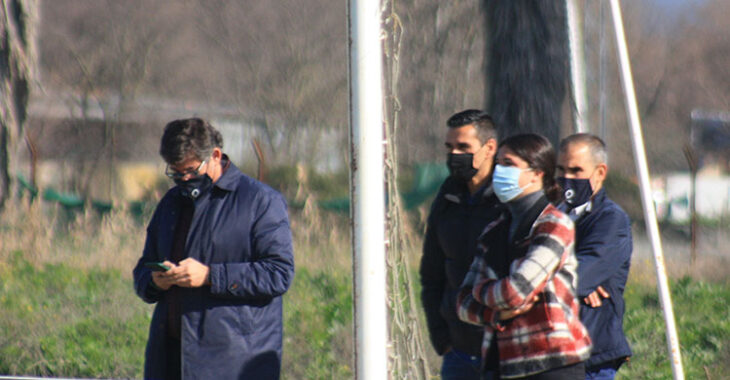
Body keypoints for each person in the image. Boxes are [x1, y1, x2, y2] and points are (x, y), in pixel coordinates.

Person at [132, 118, 295, 379]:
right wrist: (154, 281)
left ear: (215, 155)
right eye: (176, 173)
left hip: (235, 363)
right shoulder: (170, 203)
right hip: (170, 358)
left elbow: (278, 273)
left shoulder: (261, 202)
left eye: (191, 171)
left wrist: (210, 276)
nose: (184, 179)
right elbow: (142, 270)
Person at [457, 133, 591, 380]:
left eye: (508, 164)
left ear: (537, 173)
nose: (499, 171)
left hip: (551, 364)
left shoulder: (554, 225)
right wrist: (496, 314)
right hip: (500, 364)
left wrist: (481, 290)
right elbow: (463, 303)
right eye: (498, 163)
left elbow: (516, 292)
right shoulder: (493, 231)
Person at [419, 109, 503, 379]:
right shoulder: (447, 197)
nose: (455, 155)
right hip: (458, 351)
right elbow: (431, 273)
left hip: (503, 350)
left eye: (464, 147)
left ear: (489, 148)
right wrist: (441, 337)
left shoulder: (509, 200)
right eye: (450, 147)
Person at [556, 134, 632, 380]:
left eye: (576, 170)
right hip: (554, 351)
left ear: (600, 172)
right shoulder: (553, 214)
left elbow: (581, 277)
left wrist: (571, 279)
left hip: (591, 354)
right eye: (561, 169)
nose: (567, 178)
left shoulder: (611, 220)